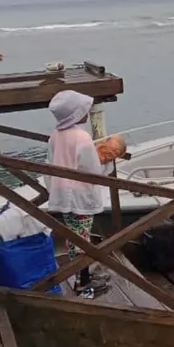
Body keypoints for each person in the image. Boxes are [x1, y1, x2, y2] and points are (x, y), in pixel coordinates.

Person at [45, 90, 127, 296]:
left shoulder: (56, 135)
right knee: (83, 238)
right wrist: (107, 162)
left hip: (62, 194)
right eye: (84, 109)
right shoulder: (81, 136)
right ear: (76, 114)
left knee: (74, 236)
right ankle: (82, 281)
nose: (87, 111)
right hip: (80, 196)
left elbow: (49, 162)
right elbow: (92, 170)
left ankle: (81, 275)